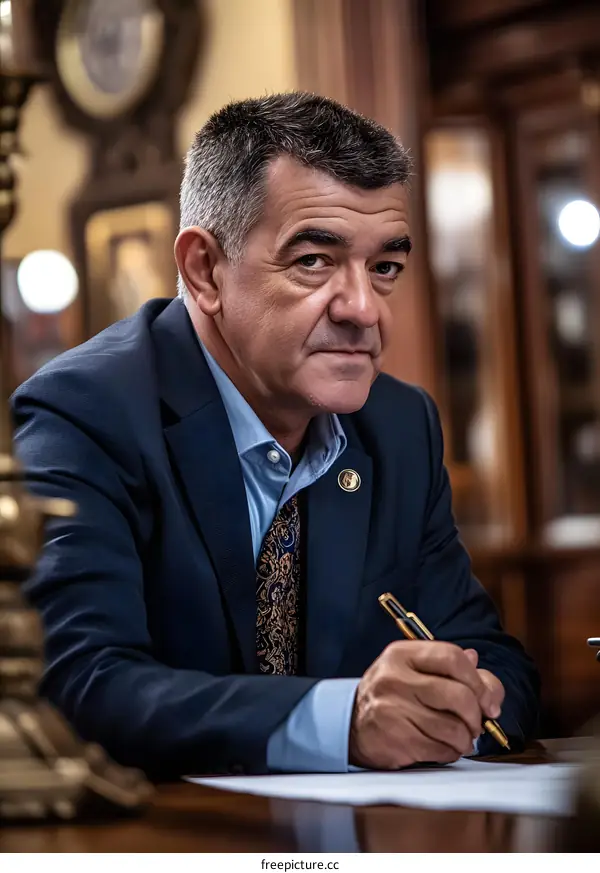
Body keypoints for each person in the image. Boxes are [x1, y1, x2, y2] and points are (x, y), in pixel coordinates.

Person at [12, 93, 539, 779]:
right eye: (314, 261)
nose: (363, 310)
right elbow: (81, 684)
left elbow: (498, 665)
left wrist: (460, 703)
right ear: (204, 271)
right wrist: (342, 721)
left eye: (385, 267)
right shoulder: (86, 411)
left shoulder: (399, 426)